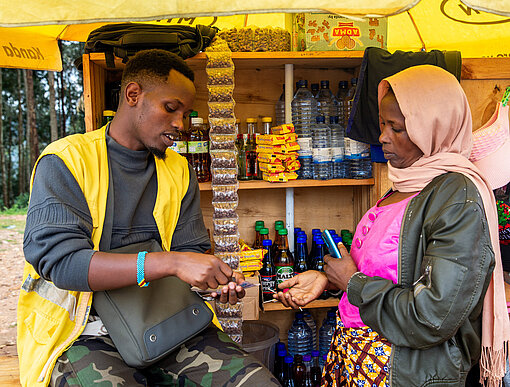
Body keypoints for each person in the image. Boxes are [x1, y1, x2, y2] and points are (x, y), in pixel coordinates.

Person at [18, 49, 280, 387]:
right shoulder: (66, 161)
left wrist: (212, 279)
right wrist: (171, 263)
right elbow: (64, 264)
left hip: (167, 323)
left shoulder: (178, 170)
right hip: (83, 332)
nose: (180, 125)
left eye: (185, 114)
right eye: (171, 108)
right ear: (133, 95)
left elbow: (191, 251)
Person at [275, 65, 510, 387]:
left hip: (404, 372)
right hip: (357, 360)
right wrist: (328, 280)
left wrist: (353, 283)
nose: (383, 137)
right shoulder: (405, 183)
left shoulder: (455, 196)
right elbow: (390, 271)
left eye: (397, 128)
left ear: (433, 129)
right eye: (383, 124)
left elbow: (433, 315)